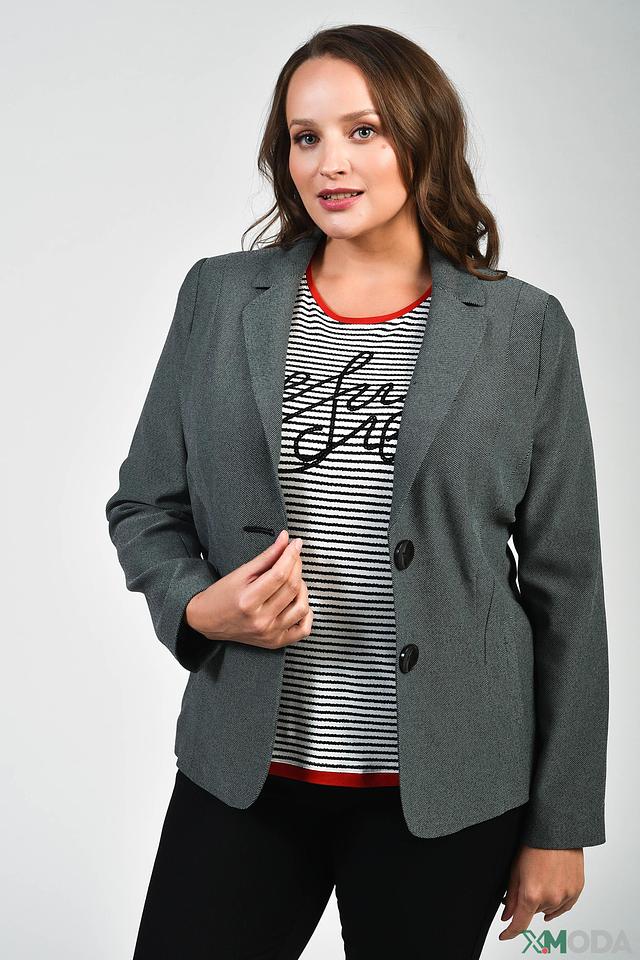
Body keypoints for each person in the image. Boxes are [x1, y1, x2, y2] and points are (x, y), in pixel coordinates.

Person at [105, 23, 609, 960]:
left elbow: (566, 587)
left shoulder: (524, 329)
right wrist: (198, 607)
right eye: (306, 137)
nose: (329, 162)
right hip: (245, 769)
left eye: (363, 131)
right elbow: (144, 505)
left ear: (424, 137)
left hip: (449, 791)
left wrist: (562, 822)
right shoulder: (220, 298)